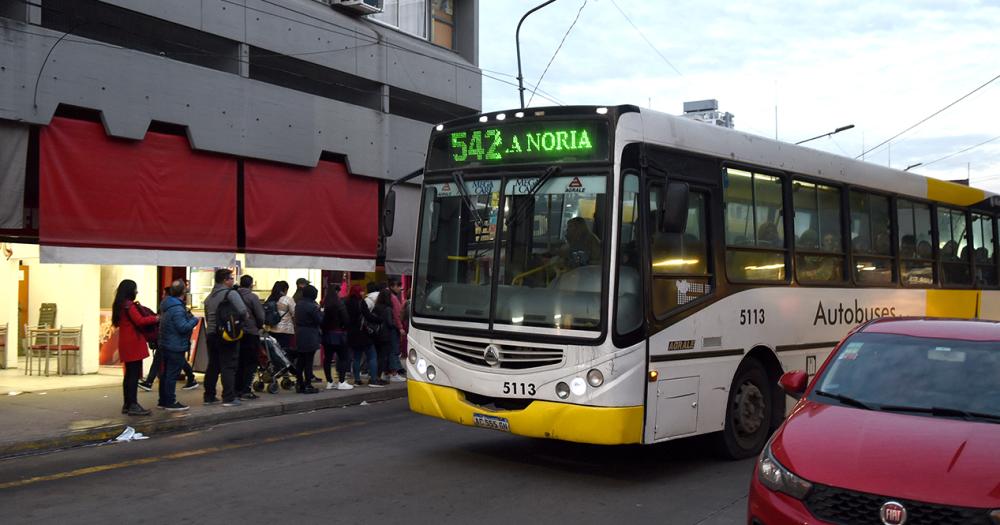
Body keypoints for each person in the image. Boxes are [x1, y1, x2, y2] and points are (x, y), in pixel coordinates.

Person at [112, 279, 158, 416]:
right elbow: (140, 320)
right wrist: (155, 319)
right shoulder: (129, 306)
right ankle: (133, 404)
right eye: (135, 289)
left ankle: (127, 404)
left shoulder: (119, 305)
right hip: (134, 342)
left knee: (129, 375)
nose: (137, 291)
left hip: (126, 342)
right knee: (133, 375)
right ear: (130, 290)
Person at [139, 285, 198, 392]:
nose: (162, 296)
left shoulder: (172, 308)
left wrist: (194, 321)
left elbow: (182, 326)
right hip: (171, 341)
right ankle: (152, 384)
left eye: (164, 294)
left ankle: (152, 385)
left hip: (171, 341)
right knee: (171, 365)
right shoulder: (171, 307)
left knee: (169, 370)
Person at [203, 268, 248, 407]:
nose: (233, 281)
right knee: (228, 365)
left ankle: (209, 396)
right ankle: (228, 397)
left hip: (211, 334)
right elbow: (243, 311)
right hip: (227, 335)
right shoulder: (231, 294)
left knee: (213, 365)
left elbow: (207, 316)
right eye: (231, 278)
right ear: (225, 280)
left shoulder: (209, 297)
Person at [156, 280, 199, 411]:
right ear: (183, 292)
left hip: (165, 343)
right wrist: (194, 320)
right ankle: (170, 401)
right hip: (175, 345)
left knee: (165, 374)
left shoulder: (167, 306)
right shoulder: (177, 309)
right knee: (171, 374)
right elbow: (182, 327)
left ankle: (163, 400)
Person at [346, 284, 384, 387]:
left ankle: (357, 380)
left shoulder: (347, 302)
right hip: (363, 333)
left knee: (356, 358)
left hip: (352, 334)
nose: (363, 293)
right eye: (361, 291)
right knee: (372, 356)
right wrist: (380, 320)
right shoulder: (360, 302)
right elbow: (368, 316)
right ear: (358, 292)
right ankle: (373, 379)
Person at [236, 275, 266, 401]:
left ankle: (236, 388)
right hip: (250, 332)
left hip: (236, 333)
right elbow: (260, 316)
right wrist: (259, 326)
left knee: (239, 362)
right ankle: (246, 390)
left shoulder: (233, 295)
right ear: (251, 284)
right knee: (251, 362)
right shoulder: (252, 297)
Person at [321, 280, 353, 390]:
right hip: (339, 335)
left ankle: (329, 382)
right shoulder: (339, 304)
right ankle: (342, 381)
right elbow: (346, 320)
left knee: (327, 359)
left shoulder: (324, 304)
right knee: (343, 357)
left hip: (327, 336)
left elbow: (322, 321)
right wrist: (344, 327)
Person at [293, 284, 322, 394]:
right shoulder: (312, 306)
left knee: (301, 361)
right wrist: (320, 311)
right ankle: (308, 384)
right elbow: (319, 320)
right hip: (310, 334)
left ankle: (299, 383)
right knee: (309, 361)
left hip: (300, 333)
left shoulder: (298, 304)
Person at [372, 289, 397, 384]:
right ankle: (378, 377)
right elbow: (390, 323)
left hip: (376, 334)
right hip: (385, 335)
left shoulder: (376, 307)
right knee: (383, 357)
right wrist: (396, 325)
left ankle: (375, 376)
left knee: (376, 356)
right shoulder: (388, 309)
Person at [265, 281, 296, 357]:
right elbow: (295, 313)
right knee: (284, 352)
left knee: (275, 352)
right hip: (285, 330)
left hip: (272, 329)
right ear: (285, 289)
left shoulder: (269, 298)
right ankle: (284, 367)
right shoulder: (288, 299)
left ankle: (276, 367)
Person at [385, 279, 406, 382]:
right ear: (392, 286)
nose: (400, 288)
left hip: (387, 328)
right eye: (398, 286)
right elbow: (397, 315)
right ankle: (394, 373)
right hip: (393, 328)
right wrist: (401, 327)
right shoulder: (393, 298)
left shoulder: (386, 296)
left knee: (389, 351)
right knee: (394, 350)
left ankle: (388, 373)